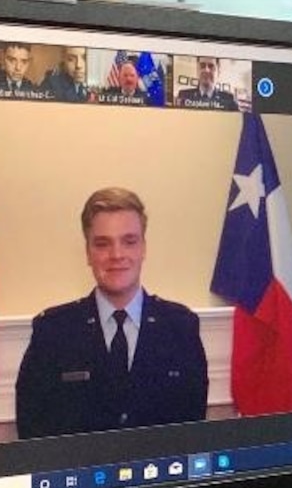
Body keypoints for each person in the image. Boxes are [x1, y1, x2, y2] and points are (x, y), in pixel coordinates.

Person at [15, 187, 208, 439]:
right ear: (88, 253)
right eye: (102, 243)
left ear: (143, 249)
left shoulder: (180, 327)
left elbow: (192, 433)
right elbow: (33, 434)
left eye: (129, 241)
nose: (117, 255)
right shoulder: (53, 332)